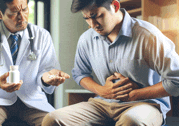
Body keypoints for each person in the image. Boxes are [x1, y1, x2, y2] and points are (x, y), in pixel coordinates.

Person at [42, 0, 179, 126]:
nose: (92, 25)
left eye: (96, 16)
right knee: (52, 119)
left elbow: (176, 80)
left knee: (132, 121)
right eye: (87, 18)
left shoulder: (148, 36)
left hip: (145, 105)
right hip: (103, 103)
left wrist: (135, 94)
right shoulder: (86, 39)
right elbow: (79, 73)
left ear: (115, 6)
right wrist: (102, 91)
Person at [0, 0, 70, 125]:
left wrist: (48, 77)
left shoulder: (42, 35)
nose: (22, 17)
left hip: (31, 101)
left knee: (54, 122)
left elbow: (47, 69)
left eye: (24, 9)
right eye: (14, 12)